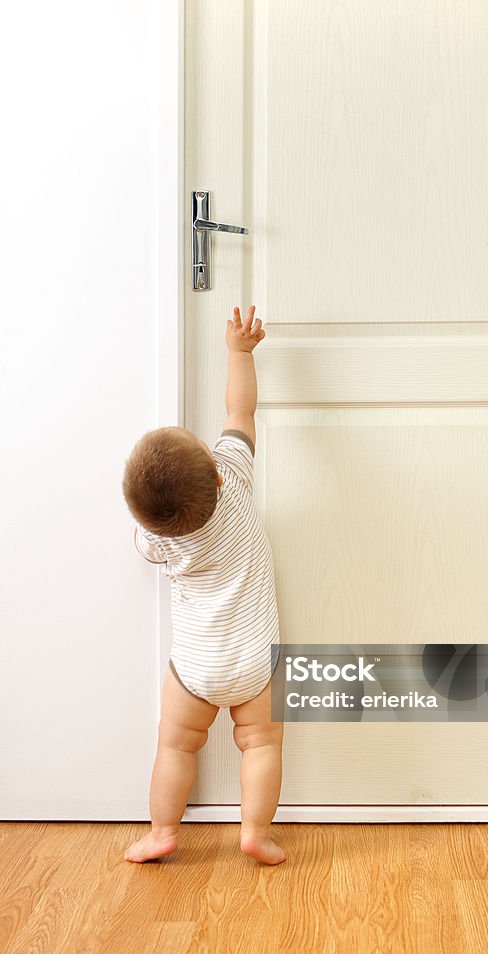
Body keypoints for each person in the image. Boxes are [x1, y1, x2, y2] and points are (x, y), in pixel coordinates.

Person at [121, 305, 285, 866]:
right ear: (215, 471)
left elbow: (145, 543)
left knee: (174, 744)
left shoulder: (160, 542)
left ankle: (164, 831)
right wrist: (239, 352)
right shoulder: (234, 479)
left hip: (196, 668)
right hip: (255, 663)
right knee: (260, 745)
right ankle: (256, 833)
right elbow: (241, 410)